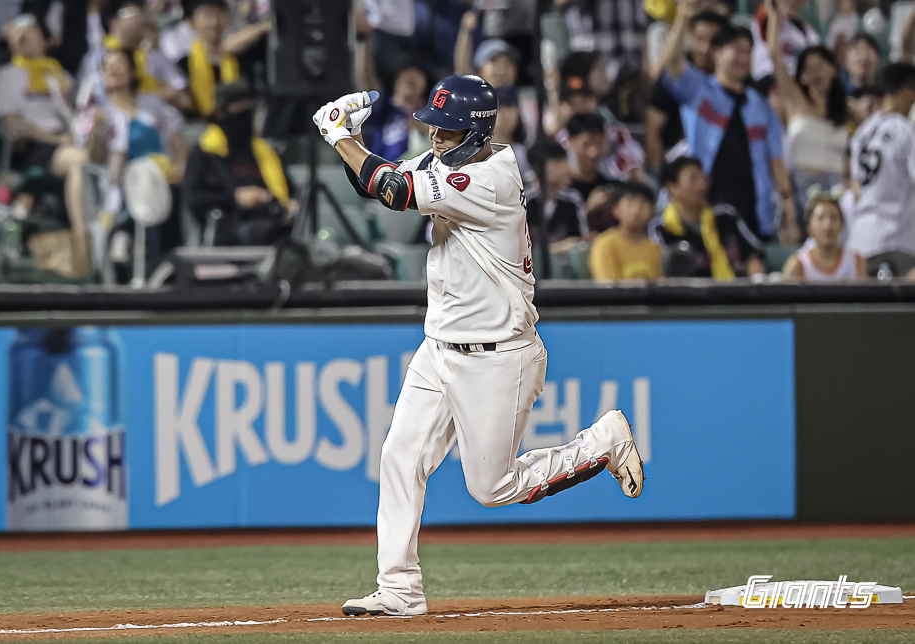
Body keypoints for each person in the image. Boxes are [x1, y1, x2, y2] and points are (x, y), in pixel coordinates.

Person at [314, 74, 644, 617]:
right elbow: (383, 181)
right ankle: (399, 588)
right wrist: (349, 137)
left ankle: (600, 443)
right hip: (440, 347)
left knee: (493, 487)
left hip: (498, 355)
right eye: (434, 129)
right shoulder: (447, 163)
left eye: (445, 131)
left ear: (473, 133)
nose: (435, 139)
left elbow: (392, 191)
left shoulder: (489, 179)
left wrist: (338, 137)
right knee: (400, 457)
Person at [657, 0, 798, 243]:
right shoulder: (698, 90)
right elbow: (671, 64)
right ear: (717, 53)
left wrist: (788, 203)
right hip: (707, 201)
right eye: (737, 50)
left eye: (748, 51)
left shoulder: (761, 105)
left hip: (754, 207)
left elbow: (775, 158)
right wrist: (682, 17)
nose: (744, 58)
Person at [0, 14, 91, 278]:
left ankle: (114, 240)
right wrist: (58, 140)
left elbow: (81, 115)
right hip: (34, 148)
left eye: (31, 30)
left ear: (46, 39)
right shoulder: (7, 75)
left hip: (69, 141)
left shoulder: (60, 75)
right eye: (18, 32)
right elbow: (13, 124)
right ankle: (85, 245)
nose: (23, 35)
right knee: (79, 162)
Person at [78, 48, 187, 259]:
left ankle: (172, 258)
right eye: (107, 68)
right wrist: (97, 133)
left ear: (133, 72)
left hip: (163, 175)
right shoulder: (100, 115)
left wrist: (181, 166)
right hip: (125, 183)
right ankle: (153, 258)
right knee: (145, 183)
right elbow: (96, 159)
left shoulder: (152, 105)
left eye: (119, 65)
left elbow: (176, 136)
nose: (113, 70)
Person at [184, 81, 292, 246]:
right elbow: (193, 198)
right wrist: (235, 198)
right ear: (222, 112)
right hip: (231, 224)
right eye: (240, 106)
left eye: (250, 106)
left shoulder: (264, 151)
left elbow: (291, 190)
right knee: (266, 234)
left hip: (273, 218)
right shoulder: (206, 151)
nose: (246, 112)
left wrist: (290, 203)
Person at [767, 3, 848, 212]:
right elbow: (775, 54)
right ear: (801, 77)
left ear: (833, 70)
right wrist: (774, 12)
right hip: (804, 186)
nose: (816, 73)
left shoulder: (847, 108)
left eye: (821, 65)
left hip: (839, 189)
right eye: (809, 68)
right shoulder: (794, 100)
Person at [847, 63, 915, 276]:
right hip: (896, 242)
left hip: (860, 240)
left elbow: (855, 186)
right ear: (907, 90)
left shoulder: (863, 131)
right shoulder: (907, 131)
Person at [651, 156, 765, 278]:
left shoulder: (725, 216)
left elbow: (752, 257)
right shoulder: (661, 229)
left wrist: (757, 280)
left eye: (703, 178)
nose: (702, 185)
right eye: (693, 179)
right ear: (672, 189)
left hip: (734, 293)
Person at [646, 10, 727, 173]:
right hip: (680, 167)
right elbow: (653, 128)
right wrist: (658, 174)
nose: (705, 48)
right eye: (700, 39)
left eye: (714, 41)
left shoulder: (732, 82)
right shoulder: (679, 76)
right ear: (690, 37)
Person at [77, 0, 190, 110]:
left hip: (158, 119)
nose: (140, 18)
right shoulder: (98, 57)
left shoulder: (152, 55)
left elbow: (184, 98)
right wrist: (158, 93)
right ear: (114, 23)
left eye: (142, 11)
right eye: (133, 12)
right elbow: (97, 101)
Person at [781, 192, 865, 280]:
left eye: (833, 218)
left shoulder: (857, 262)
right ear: (809, 226)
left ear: (842, 223)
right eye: (821, 218)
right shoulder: (797, 264)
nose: (827, 225)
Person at [588, 182, 661, 281]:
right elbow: (607, 286)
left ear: (651, 211)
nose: (636, 209)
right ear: (616, 209)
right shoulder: (605, 243)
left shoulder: (655, 247)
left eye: (643, 203)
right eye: (630, 203)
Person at [750, 0, 820, 82]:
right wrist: (775, 7)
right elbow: (767, 12)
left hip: (796, 83)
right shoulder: (768, 17)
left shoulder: (807, 30)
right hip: (768, 81)